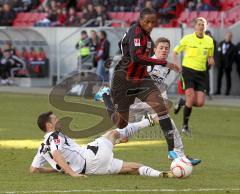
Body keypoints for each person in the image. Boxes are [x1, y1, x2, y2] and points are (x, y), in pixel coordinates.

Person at [95, 8, 181, 160]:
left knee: (161, 108)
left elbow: (127, 46)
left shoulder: (147, 38)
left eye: (153, 22)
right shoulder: (135, 31)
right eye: (147, 21)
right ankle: (106, 95)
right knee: (121, 124)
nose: (150, 25)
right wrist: (163, 62)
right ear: (140, 20)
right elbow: (136, 58)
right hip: (124, 80)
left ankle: (171, 150)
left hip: (142, 79)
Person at [30, 111, 174, 178]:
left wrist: (59, 169)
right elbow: (56, 153)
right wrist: (71, 173)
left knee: (134, 168)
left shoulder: (42, 147)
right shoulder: (54, 136)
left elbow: (34, 169)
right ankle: (149, 120)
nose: (58, 120)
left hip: (92, 169)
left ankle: (162, 174)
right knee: (112, 133)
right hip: (91, 156)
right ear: (49, 125)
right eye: (55, 119)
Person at [128, 37, 201, 165]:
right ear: (155, 49)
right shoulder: (148, 64)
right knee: (123, 134)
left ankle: (180, 155)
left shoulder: (166, 67)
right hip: (136, 102)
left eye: (166, 48)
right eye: (161, 48)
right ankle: (98, 146)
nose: (164, 50)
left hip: (151, 102)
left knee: (169, 122)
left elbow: (159, 87)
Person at [172, 17, 215, 136]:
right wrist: (176, 65)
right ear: (195, 26)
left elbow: (210, 56)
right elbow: (175, 52)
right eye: (199, 24)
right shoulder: (187, 39)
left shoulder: (209, 41)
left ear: (205, 27)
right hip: (188, 71)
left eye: (203, 24)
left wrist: (211, 60)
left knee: (200, 102)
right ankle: (185, 126)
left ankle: (182, 102)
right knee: (191, 98)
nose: (201, 26)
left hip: (201, 73)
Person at [214, 31, 236, 96]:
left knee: (228, 78)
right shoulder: (220, 44)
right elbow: (217, 55)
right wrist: (217, 63)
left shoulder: (233, 47)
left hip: (228, 66)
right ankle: (218, 90)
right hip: (220, 65)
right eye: (227, 36)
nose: (228, 38)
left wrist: (229, 64)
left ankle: (227, 91)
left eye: (230, 37)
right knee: (219, 78)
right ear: (225, 36)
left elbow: (233, 58)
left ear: (231, 38)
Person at [205, 30, 217, 99]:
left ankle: (208, 93)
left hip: (207, 63)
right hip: (199, 63)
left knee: (207, 78)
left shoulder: (213, 42)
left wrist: (212, 60)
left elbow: (214, 53)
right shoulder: (201, 42)